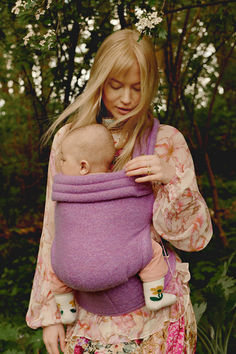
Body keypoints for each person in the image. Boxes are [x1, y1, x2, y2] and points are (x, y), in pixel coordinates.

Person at [26, 29, 212, 354]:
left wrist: (171, 180)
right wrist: (51, 314)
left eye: (138, 88)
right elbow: (54, 229)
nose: (126, 98)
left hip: (157, 321)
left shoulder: (167, 141)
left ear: (151, 85)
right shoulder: (70, 141)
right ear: (100, 81)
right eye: (116, 86)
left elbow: (193, 240)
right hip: (87, 321)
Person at [51, 123, 176, 325]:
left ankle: (65, 308)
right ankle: (154, 295)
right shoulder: (123, 186)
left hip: (67, 273)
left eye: (63, 160)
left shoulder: (64, 191)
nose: (60, 165)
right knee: (150, 250)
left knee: (57, 257)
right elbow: (138, 212)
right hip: (112, 268)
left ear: (83, 166)